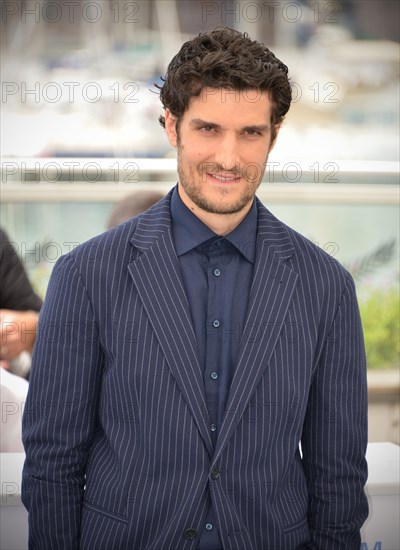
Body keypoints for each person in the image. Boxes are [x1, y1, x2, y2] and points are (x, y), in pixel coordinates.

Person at [22, 28, 368, 549]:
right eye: (208, 128)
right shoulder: (85, 276)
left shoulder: (326, 287)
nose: (229, 158)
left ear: (274, 135)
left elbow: (337, 477)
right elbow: (52, 466)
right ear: (172, 126)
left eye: (250, 133)